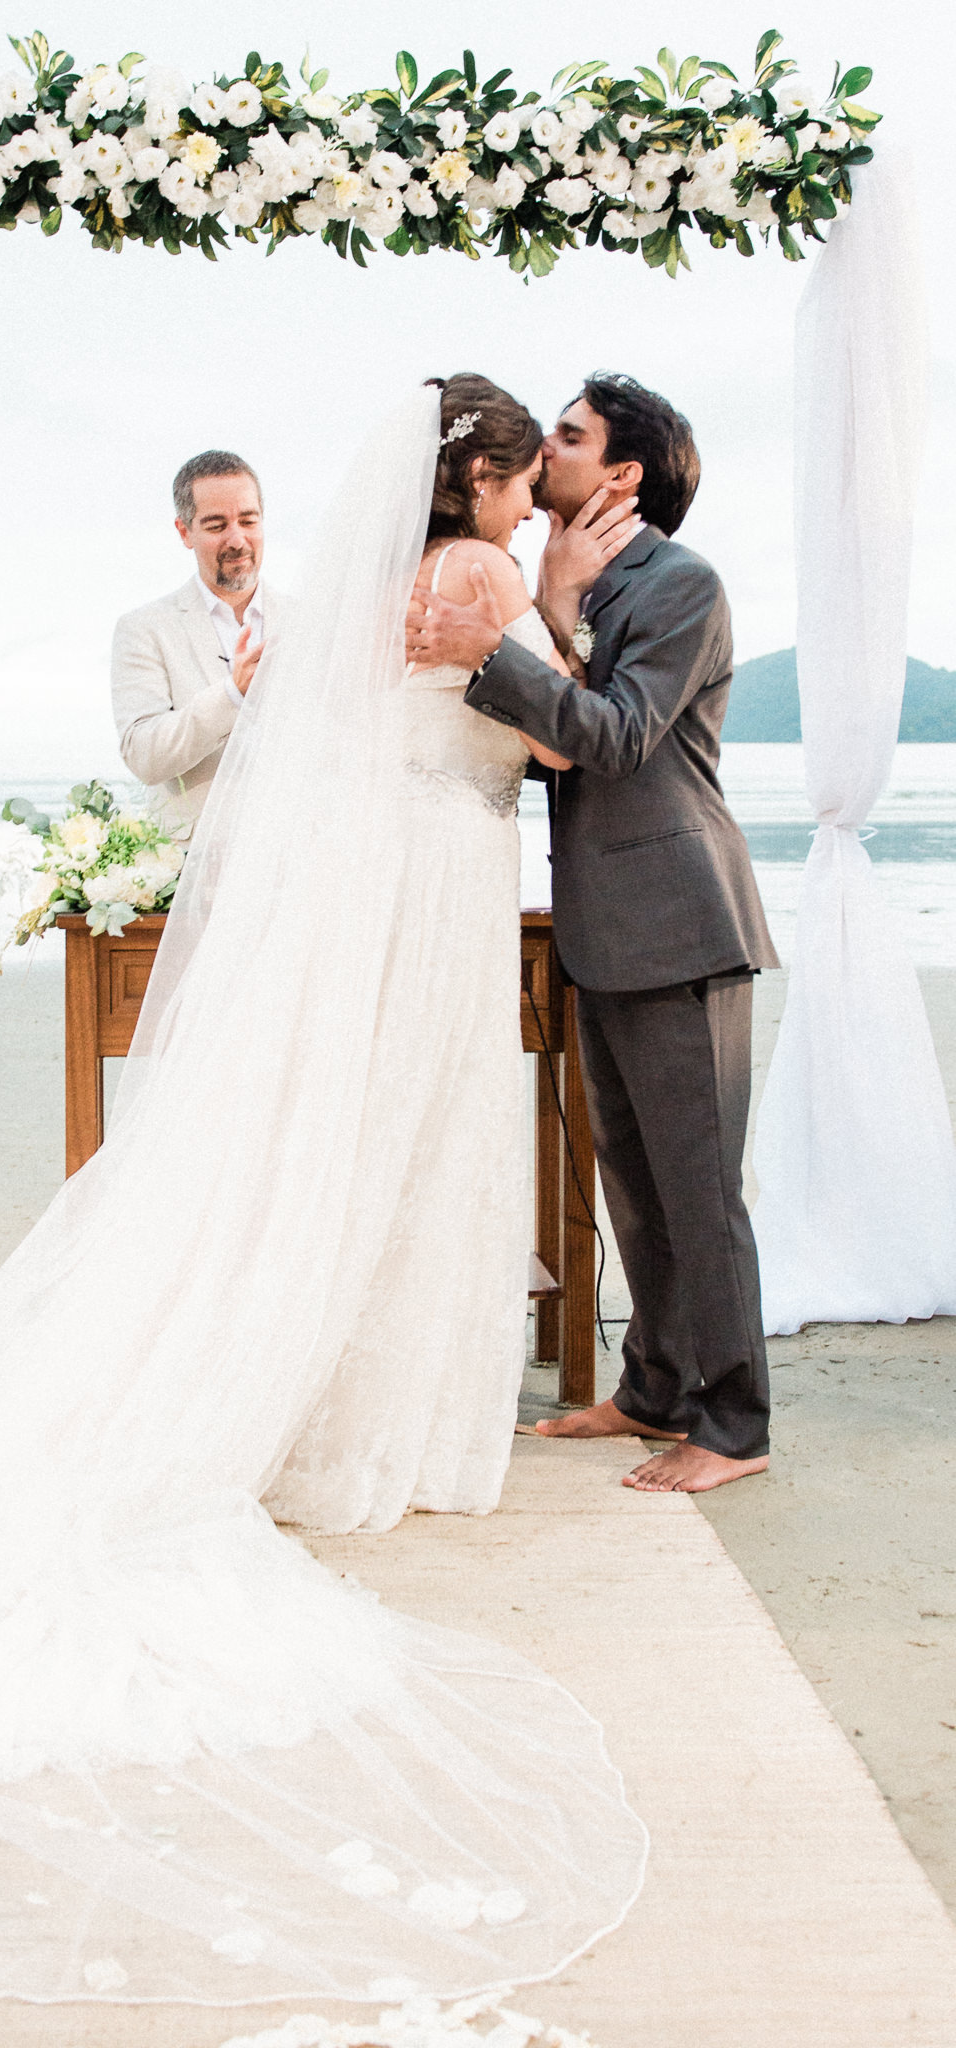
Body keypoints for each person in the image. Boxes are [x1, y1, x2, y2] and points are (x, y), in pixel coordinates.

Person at [0, 382, 648, 2016]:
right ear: (485, 481)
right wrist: (565, 607)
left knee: (343, 1154)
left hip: (380, 879)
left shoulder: (371, 585)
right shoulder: (488, 575)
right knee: (415, 1154)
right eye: (519, 485)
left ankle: (309, 1394)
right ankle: (382, 1429)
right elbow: (549, 737)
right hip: (441, 877)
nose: (529, 508)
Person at [405, 373, 778, 1496]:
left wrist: (499, 647)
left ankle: (734, 1425)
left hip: (680, 920)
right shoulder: (563, 580)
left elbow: (612, 738)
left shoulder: (681, 584)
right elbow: (546, 737)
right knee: (631, 1179)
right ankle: (653, 1387)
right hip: (601, 927)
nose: (546, 451)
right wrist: (545, 611)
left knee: (696, 1186)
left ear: (621, 473)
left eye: (568, 436)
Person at [111, 448, 287, 837]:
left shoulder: (309, 621)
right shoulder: (143, 629)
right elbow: (143, 756)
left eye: (248, 520)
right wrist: (231, 695)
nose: (237, 539)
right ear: (184, 532)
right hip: (193, 863)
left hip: (296, 853)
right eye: (216, 525)